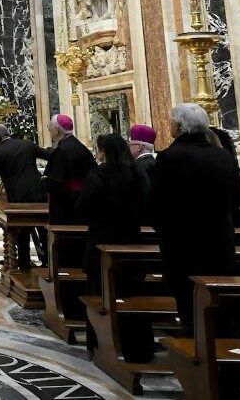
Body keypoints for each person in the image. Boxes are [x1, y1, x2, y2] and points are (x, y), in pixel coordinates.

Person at [150, 103, 240, 335]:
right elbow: (236, 198)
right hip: (219, 238)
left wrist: (162, 230)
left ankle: (194, 341)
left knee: (187, 296)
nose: (170, 125)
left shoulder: (170, 157)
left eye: (172, 121)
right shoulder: (222, 155)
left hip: (182, 241)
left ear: (180, 127)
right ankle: (221, 340)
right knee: (217, 295)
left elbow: (158, 202)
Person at [76, 134, 150, 359]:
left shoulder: (97, 175)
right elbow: (147, 204)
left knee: (100, 290)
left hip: (102, 241)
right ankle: (139, 347)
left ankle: (99, 344)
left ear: (104, 152)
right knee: (133, 293)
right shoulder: (137, 173)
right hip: (131, 241)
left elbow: (83, 209)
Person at [0, 124, 47, 268]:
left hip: (18, 199)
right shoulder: (27, 144)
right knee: (43, 230)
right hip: (39, 194)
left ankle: (24, 266)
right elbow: (48, 155)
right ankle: (49, 262)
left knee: (22, 233)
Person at [37, 114, 96, 225]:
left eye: (50, 126)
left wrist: (43, 181)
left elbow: (54, 182)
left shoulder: (61, 150)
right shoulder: (81, 147)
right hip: (83, 201)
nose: (48, 129)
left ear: (57, 130)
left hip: (66, 205)